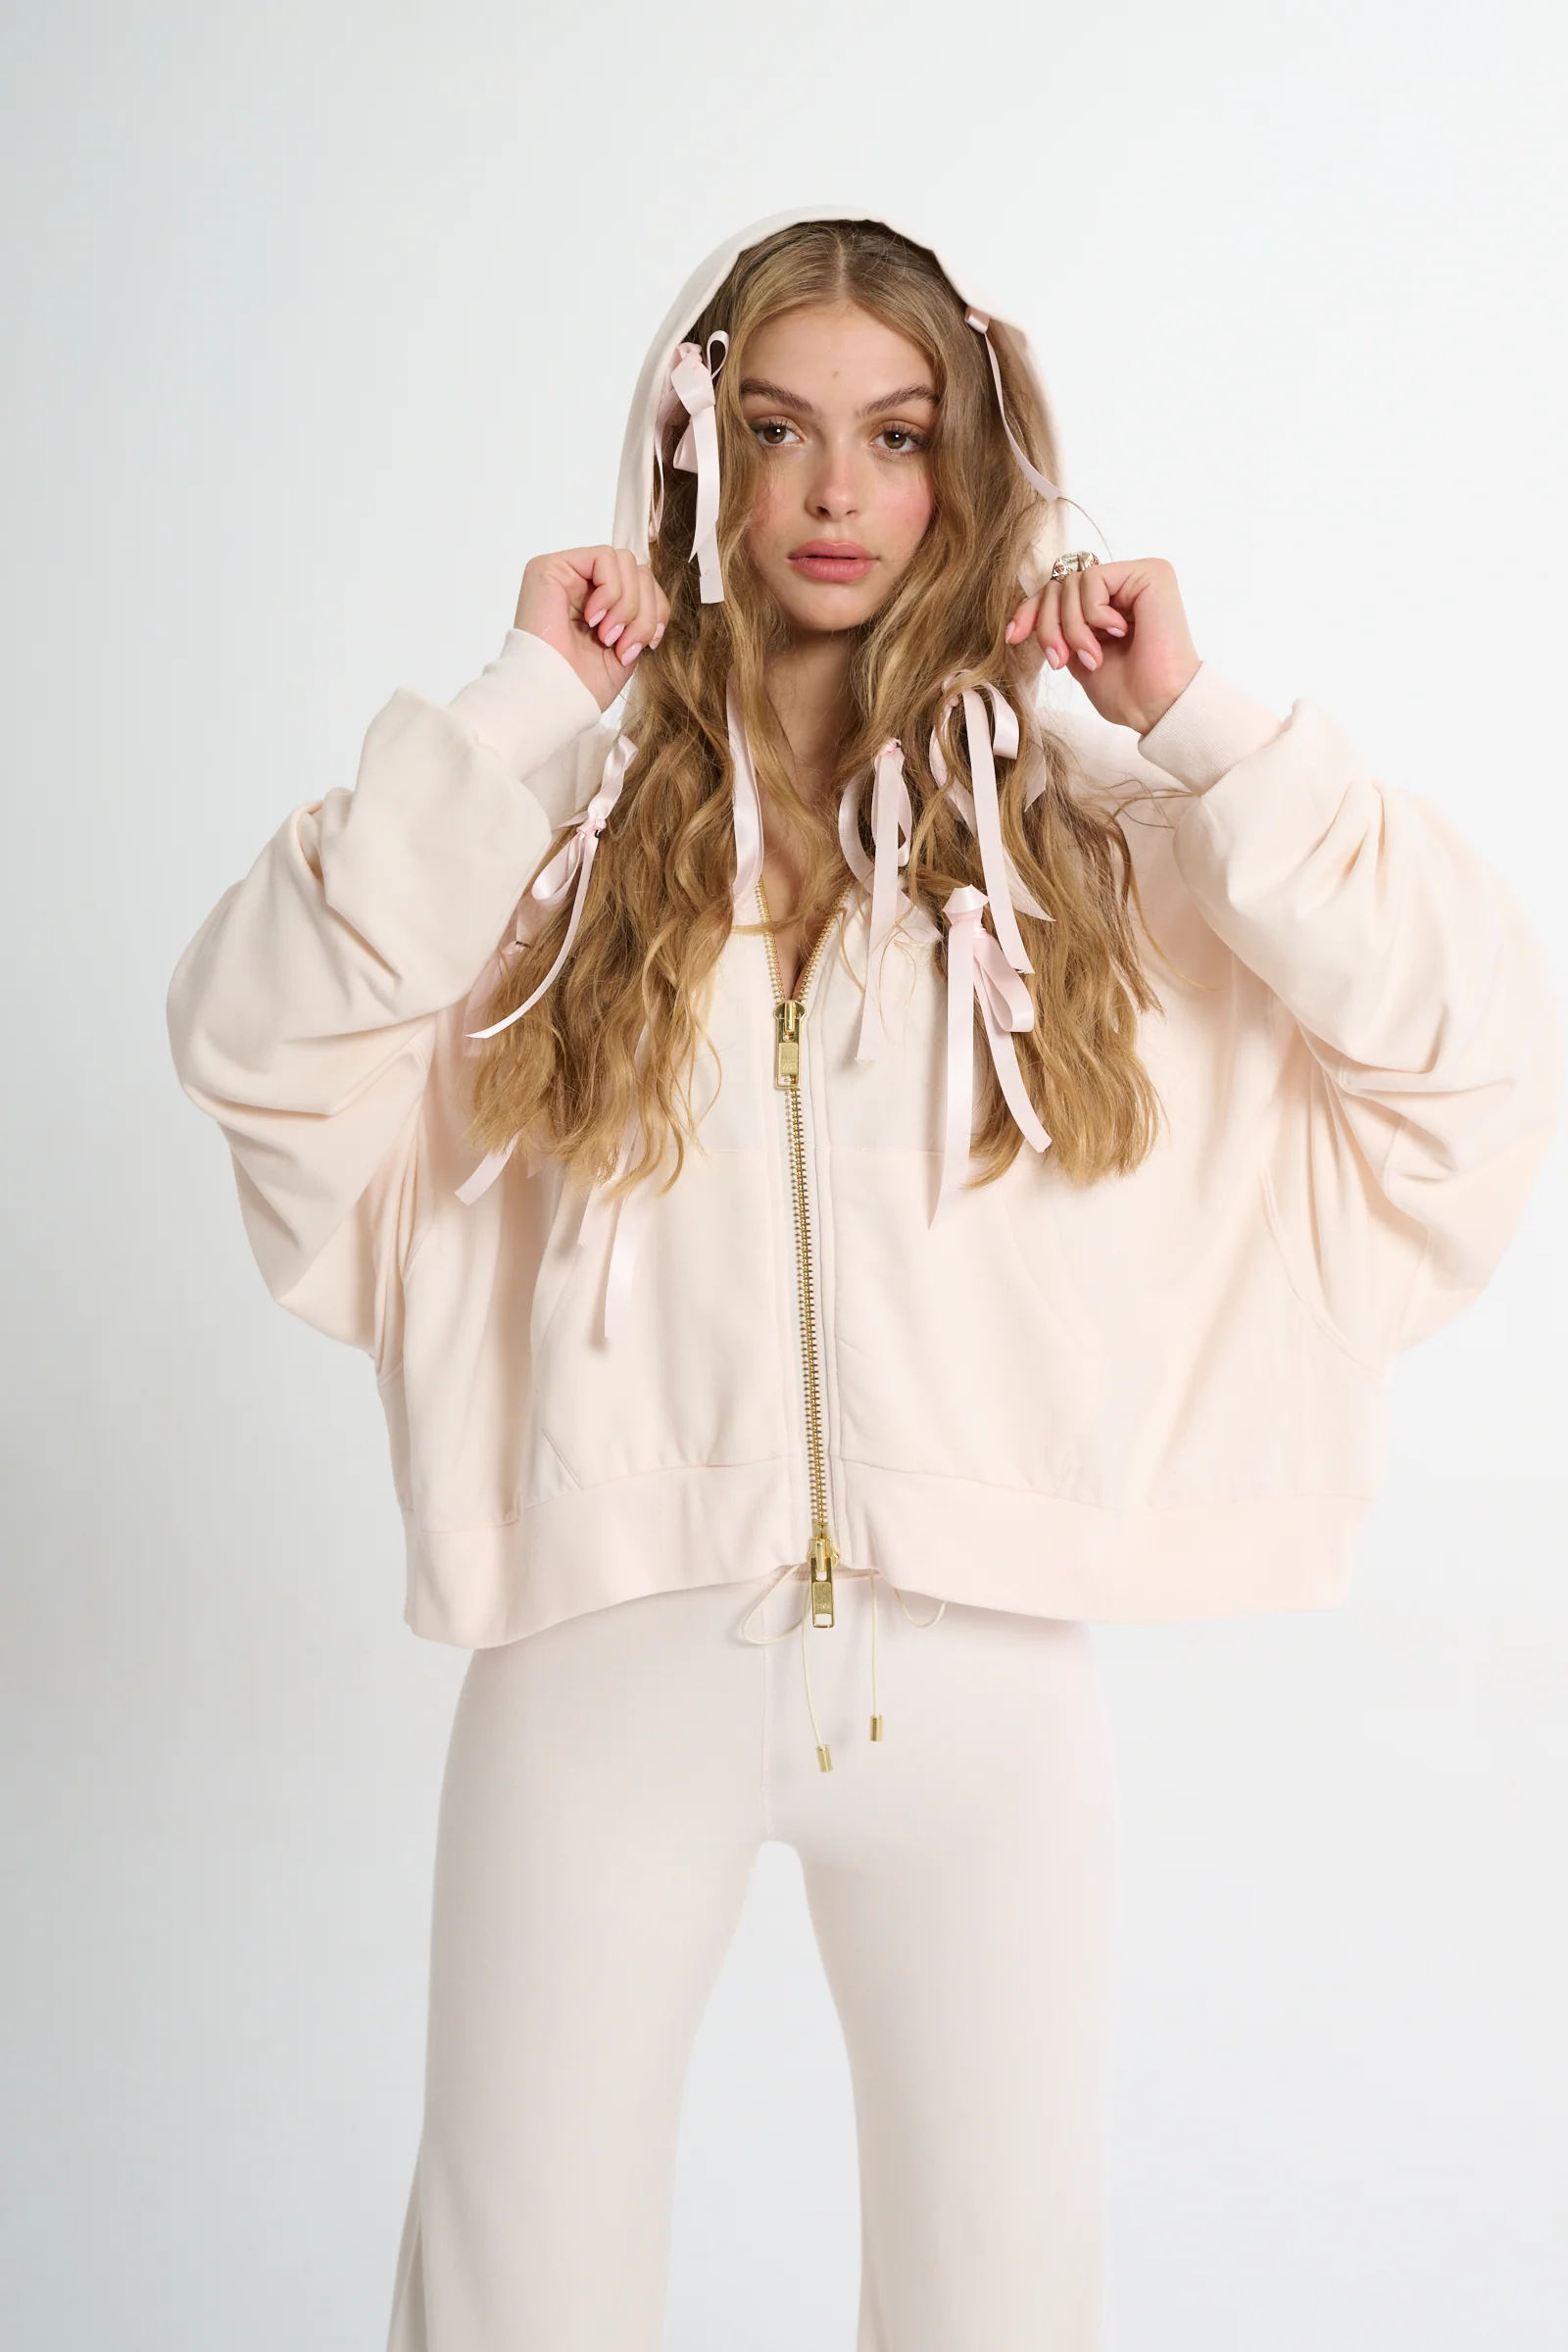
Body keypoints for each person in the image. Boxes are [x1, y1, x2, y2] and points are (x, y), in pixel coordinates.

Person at [166, 206, 1562, 2352]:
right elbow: (252, 1031)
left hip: (984, 1689)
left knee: (1003, 2306)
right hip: (601, 1669)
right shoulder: (552, 843)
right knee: (516, 2300)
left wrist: (1197, 724)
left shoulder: (1090, 848)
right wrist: (519, 706)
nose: (835, 492)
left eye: (897, 435)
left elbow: (1472, 1043)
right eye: (776, 427)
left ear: (968, 463)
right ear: (692, 452)